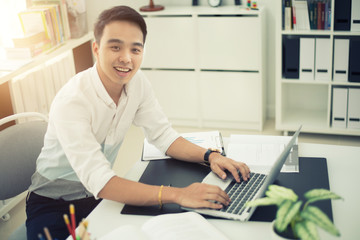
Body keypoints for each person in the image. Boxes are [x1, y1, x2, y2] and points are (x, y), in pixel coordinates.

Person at [26, 5, 250, 240]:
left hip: (97, 199)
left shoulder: (137, 83)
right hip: (53, 204)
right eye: (115, 47)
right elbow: (101, 180)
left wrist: (211, 156)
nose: (126, 58)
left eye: (135, 49)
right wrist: (178, 194)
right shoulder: (72, 100)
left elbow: (163, 135)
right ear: (96, 49)